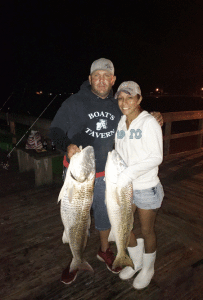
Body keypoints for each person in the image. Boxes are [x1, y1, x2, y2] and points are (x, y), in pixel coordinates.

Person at [49, 58, 163, 284]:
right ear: (90, 79)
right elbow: (55, 130)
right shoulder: (74, 102)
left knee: (105, 218)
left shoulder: (117, 104)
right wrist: (66, 145)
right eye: (96, 75)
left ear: (113, 80)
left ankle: (104, 251)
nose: (101, 80)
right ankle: (75, 257)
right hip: (78, 175)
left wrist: (156, 115)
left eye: (106, 76)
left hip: (108, 177)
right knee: (76, 218)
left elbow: (136, 118)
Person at [114, 81, 164, 289]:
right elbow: (119, 152)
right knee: (123, 229)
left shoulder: (149, 122)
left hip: (146, 186)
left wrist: (128, 174)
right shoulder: (121, 121)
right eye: (121, 98)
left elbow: (156, 157)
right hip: (126, 187)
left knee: (146, 230)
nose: (124, 103)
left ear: (139, 99)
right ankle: (136, 261)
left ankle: (148, 268)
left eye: (130, 98)